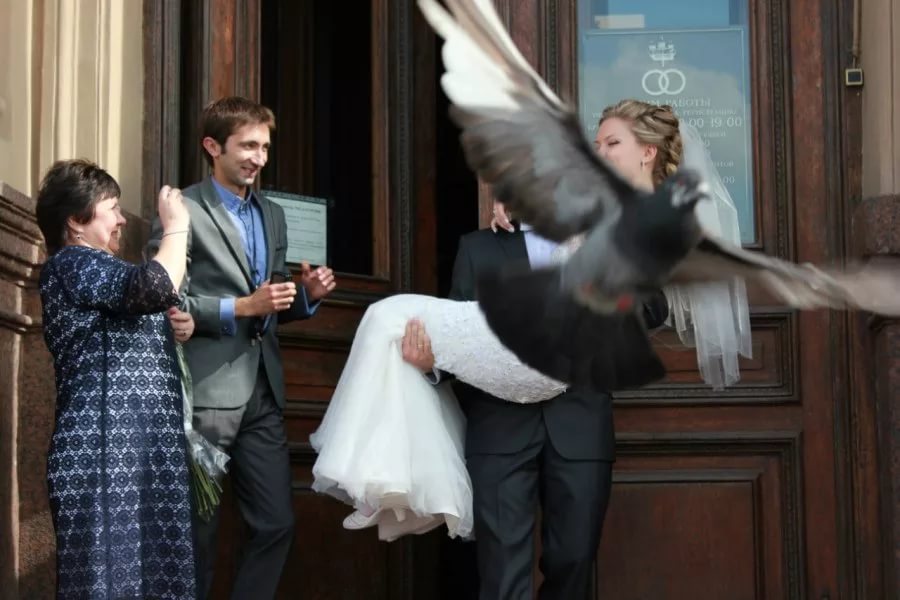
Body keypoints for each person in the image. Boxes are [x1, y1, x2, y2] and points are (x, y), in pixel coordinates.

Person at [147, 96, 337, 600]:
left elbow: (270, 298)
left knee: (277, 523)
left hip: (264, 395)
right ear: (213, 147)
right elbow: (165, 298)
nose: (259, 158)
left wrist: (306, 297)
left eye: (265, 148)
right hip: (206, 393)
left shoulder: (273, 215)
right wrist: (242, 307)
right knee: (198, 535)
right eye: (248, 146)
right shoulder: (183, 209)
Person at [36, 159, 195, 598]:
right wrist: (176, 226)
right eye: (113, 209)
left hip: (139, 456)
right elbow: (154, 286)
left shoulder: (101, 269)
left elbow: (145, 299)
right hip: (105, 456)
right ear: (76, 220)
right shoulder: (71, 263)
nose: (123, 219)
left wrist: (172, 328)